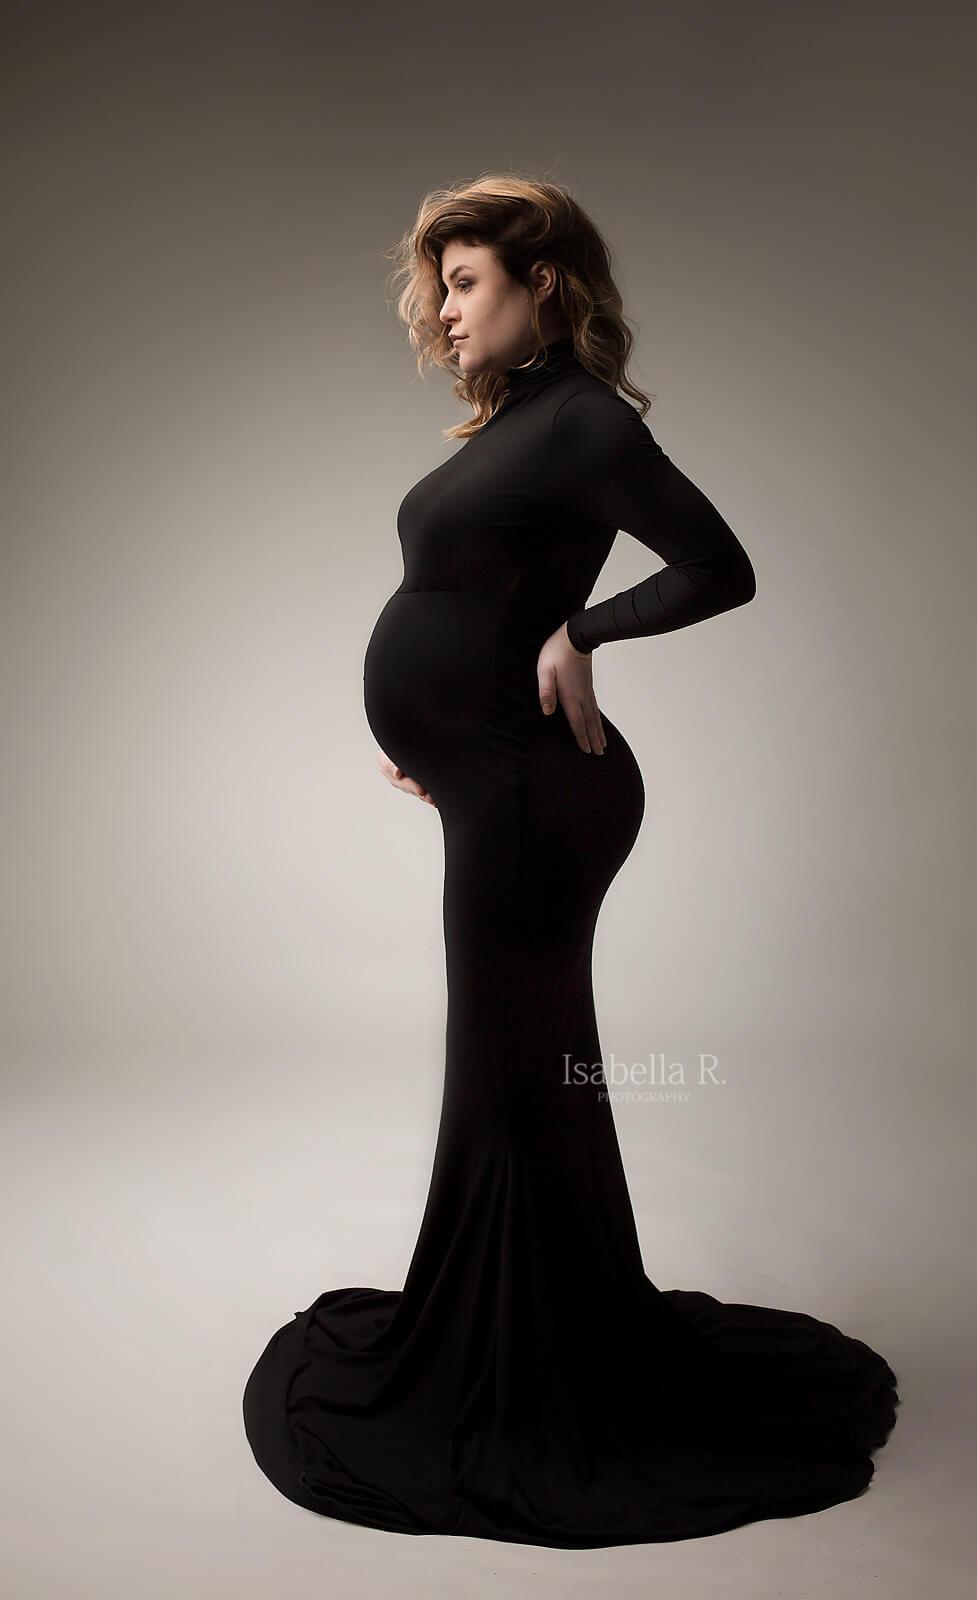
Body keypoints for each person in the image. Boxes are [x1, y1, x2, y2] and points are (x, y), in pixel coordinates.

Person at [242, 175, 900, 1550]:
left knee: (519, 1077)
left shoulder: (587, 420)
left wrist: (583, 637)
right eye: (439, 284)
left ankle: (536, 1385)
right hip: (494, 788)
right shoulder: (524, 425)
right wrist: (441, 736)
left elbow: (719, 566)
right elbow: (473, 604)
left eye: (467, 279)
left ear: (548, 285)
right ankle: (531, 1340)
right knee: (515, 1074)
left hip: (543, 800)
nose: (441, 307)